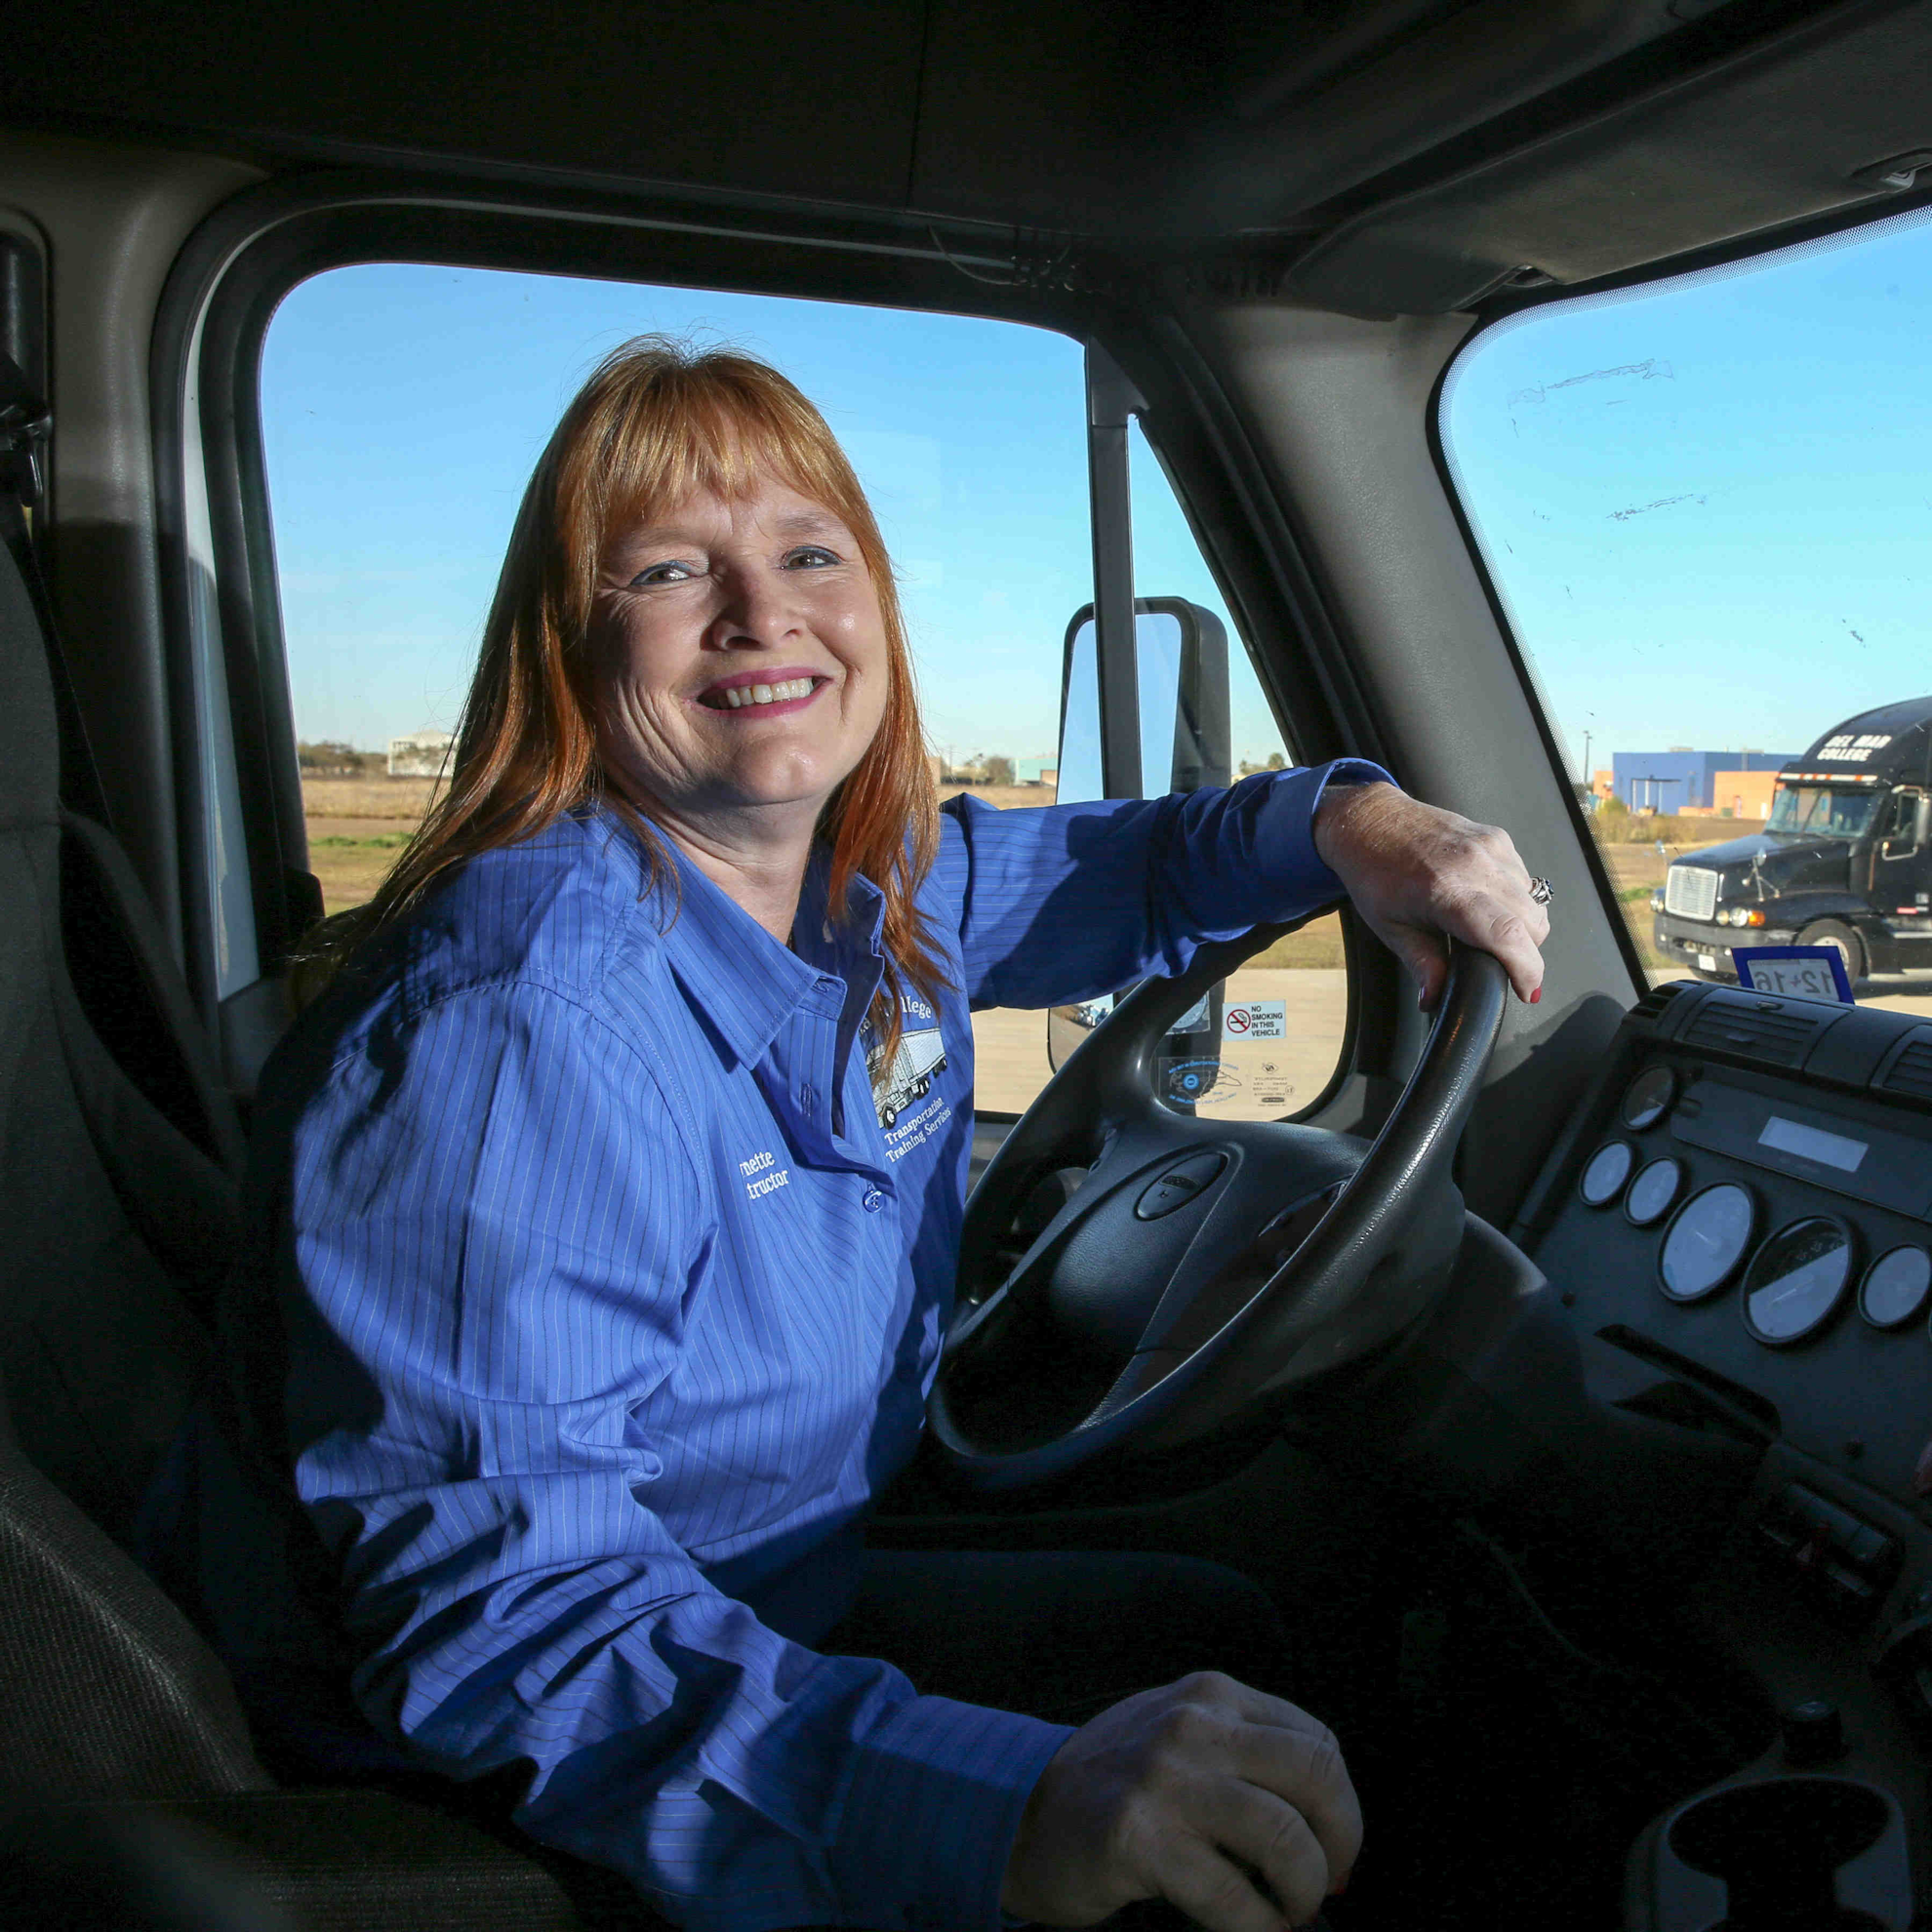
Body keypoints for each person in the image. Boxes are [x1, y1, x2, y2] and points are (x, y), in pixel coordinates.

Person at [162, 340, 1549, 1932]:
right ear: (568, 646)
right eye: (672, 570)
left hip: (773, 1576)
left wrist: (1354, 821)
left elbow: (1152, 868)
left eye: (810, 553)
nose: (763, 614)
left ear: (875, 604)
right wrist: (1001, 1807)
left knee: (1233, 1628)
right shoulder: (524, 1023)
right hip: (556, 1761)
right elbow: (506, 1619)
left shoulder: (863, 889)